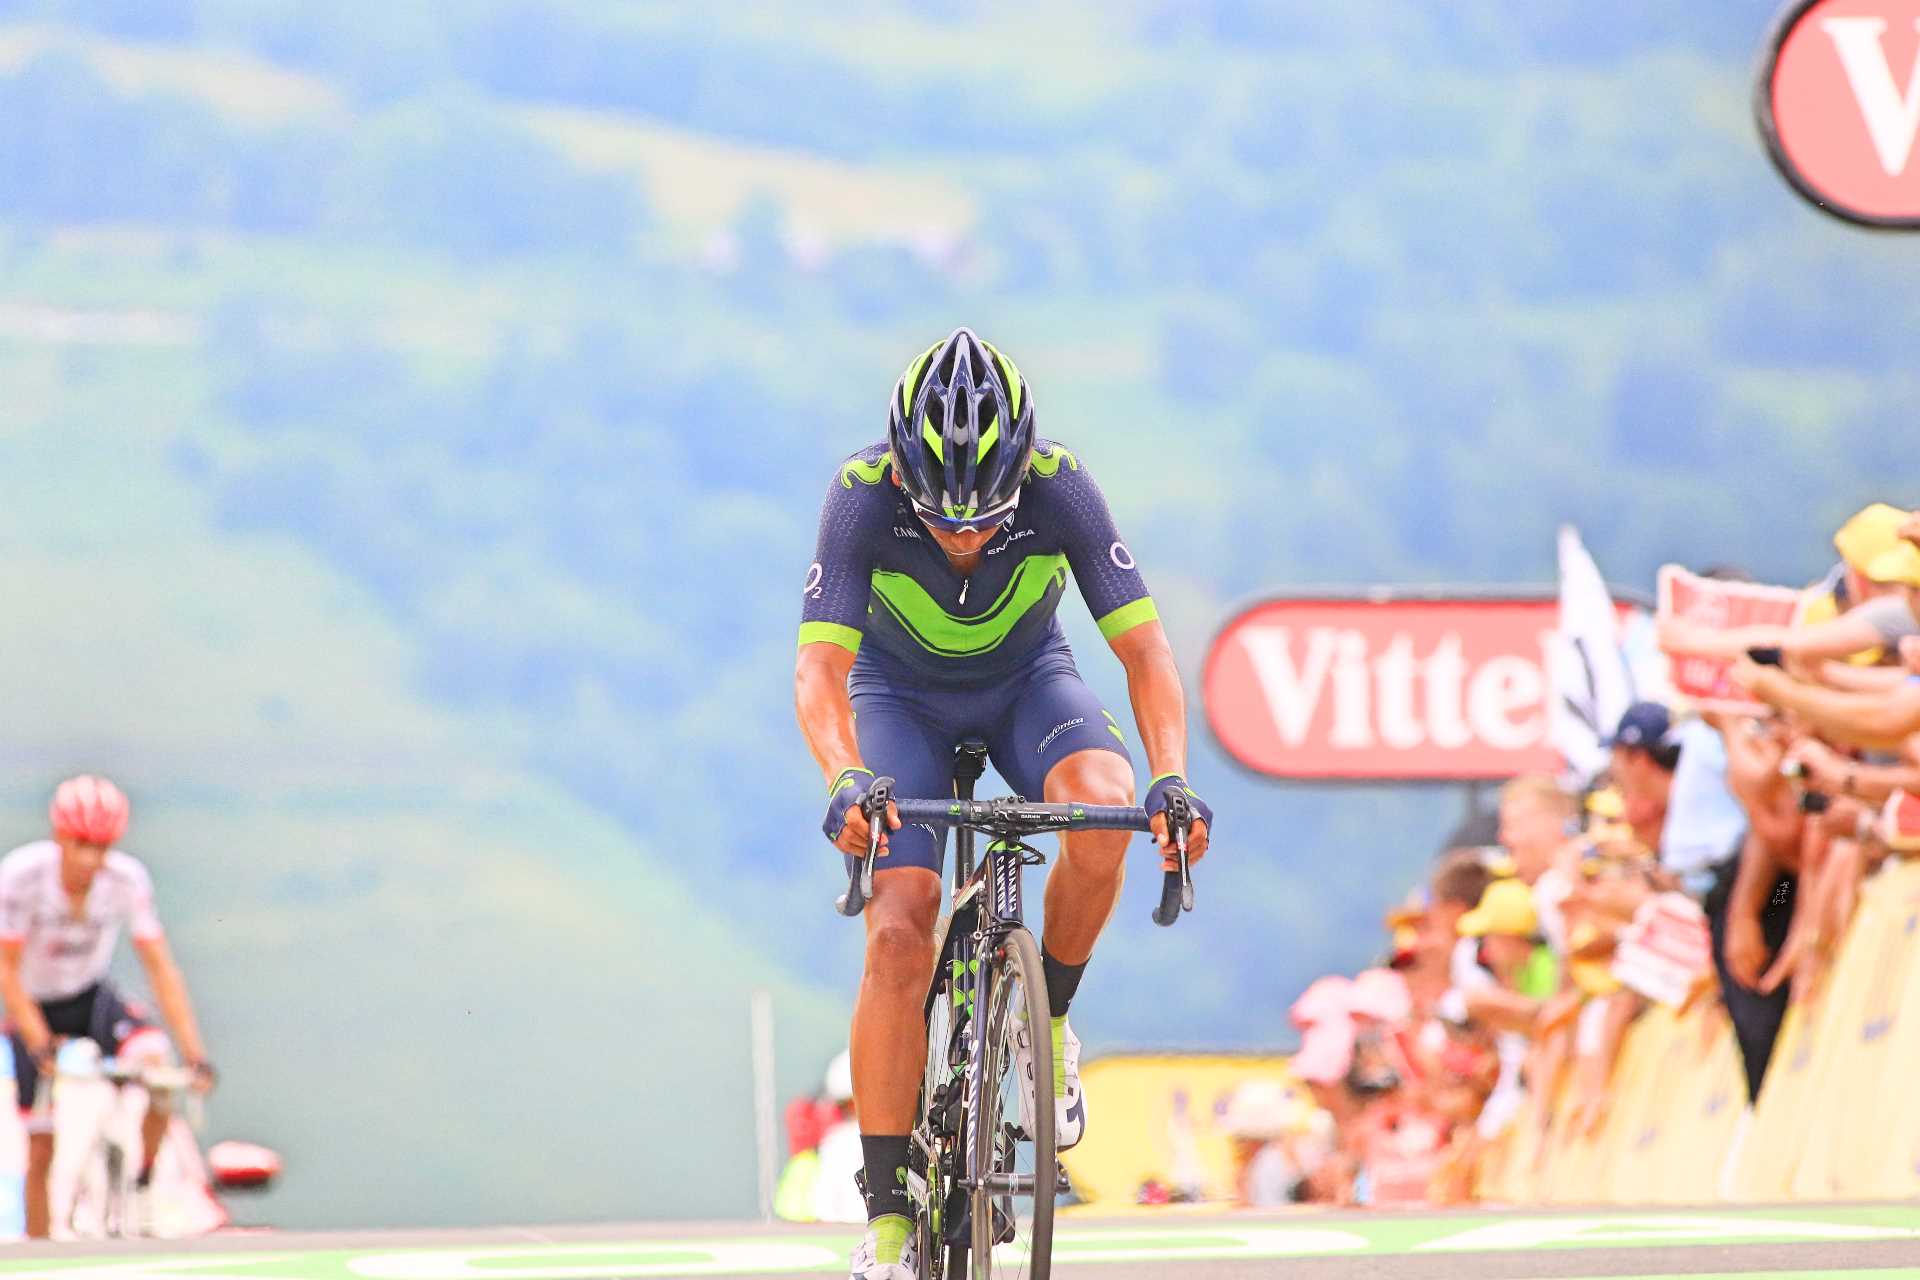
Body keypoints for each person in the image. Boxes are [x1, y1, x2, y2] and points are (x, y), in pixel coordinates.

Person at [794, 328, 1214, 1280]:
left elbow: (1145, 651)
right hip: (898, 704)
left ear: (1022, 472)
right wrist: (844, 777)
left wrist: (1173, 776)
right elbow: (819, 671)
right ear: (902, 478)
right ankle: (889, 1223)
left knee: (1104, 809)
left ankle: (1048, 1025)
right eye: (941, 520)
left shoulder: (1063, 486)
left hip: (1029, 685)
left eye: (986, 518)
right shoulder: (859, 496)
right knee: (898, 928)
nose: (965, 539)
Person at [0, 776, 216, 1238]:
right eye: (80, 844)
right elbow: (6, 968)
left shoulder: (126, 879)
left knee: (156, 1062)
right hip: (32, 1004)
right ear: (59, 836)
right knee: (41, 1144)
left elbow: (160, 969)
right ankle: (39, 1248)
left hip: (90, 995)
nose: (89, 860)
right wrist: (38, 1041)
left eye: (101, 847)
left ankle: (143, 1183)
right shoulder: (21, 877)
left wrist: (195, 1054)